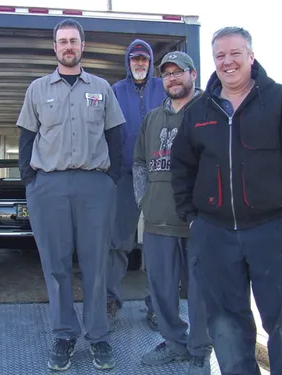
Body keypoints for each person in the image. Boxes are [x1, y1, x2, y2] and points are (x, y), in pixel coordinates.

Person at [170, 27, 282, 375]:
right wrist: (193, 218)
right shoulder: (198, 113)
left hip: (275, 233)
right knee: (226, 328)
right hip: (215, 235)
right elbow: (180, 168)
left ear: (251, 57)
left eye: (235, 53)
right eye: (220, 56)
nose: (227, 62)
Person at [16, 18, 125, 371]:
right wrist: (31, 181)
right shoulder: (37, 89)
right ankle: (64, 334)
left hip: (94, 186)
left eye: (73, 41)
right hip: (49, 187)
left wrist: (109, 179)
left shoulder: (102, 88)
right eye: (62, 41)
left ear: (82, 46)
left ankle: (98, 336)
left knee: (96, 263)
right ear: (55, 48)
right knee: (56, 265)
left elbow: (116, 137)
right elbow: (26, 139)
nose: (68, 46)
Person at [133, 51, 212, 375]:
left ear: (193, 74)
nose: (173, 78)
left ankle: (199, 348)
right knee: (162, 291)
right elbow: (139, 162)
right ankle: (174, 342)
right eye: (167, 74)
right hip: (159, 220)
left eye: (179, 72)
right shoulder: (153, 118)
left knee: (202, 291)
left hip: (201, 222)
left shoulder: (211, 110)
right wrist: (145, 200)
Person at [106, 39, 166, 328]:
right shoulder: (115, 91)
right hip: (127, 176)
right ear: (128, 63)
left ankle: (157, 306)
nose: (139, 64)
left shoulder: (163, 88)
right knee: (118, 241)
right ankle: (110, 299)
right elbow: (108, 133)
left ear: (150, 62)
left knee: (158, 242)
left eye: (144, 60)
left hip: (159, 178)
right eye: (134, 60)